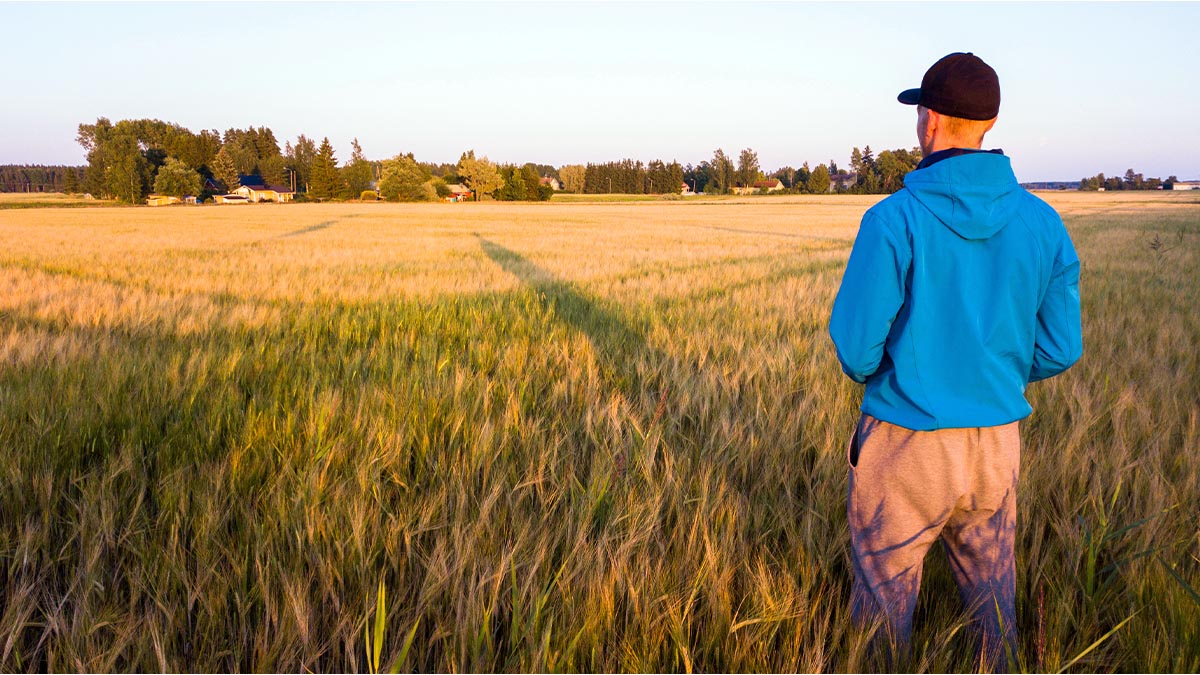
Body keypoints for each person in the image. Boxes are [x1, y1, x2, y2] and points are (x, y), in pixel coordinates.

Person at [828, 52, 1083, 669]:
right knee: (994, 608)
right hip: (996, 443)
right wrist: (989, 375)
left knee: (883, 617)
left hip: (905, 441)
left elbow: (855, 348)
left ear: (930, 119)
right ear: (988, 124)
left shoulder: (893, 220)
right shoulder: (1044, 223)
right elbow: (1060, 347)